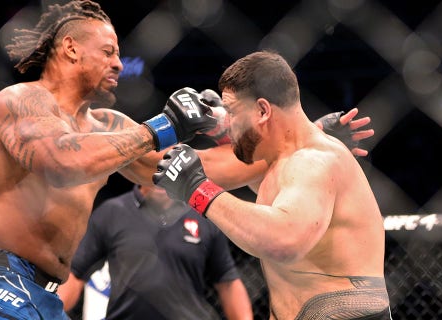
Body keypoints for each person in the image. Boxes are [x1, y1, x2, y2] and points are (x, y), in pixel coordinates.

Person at [0, 0, 373, 318]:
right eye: (108, 51)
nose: (120, 64)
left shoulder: (109, 126)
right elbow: (59, 163)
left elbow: (191, 171)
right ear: (70, 49)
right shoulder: (20, 102)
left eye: (121, 53)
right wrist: (159, 126)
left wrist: (298, 136)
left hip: (43, 296)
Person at [153, 50, 391, 320]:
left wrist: (198, 189)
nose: (227, 122)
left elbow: (284, 239)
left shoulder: (314, 161)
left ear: (263, 110)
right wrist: (216, 124)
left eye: (231, 112)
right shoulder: (281, 163)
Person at [57, 184, 253, 319]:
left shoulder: (203, 217)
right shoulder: (112, 212)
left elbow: (228, 282)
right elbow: (76, 274)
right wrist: (49, 312)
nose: (161, 176)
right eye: (155, 167)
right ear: (140, 168)